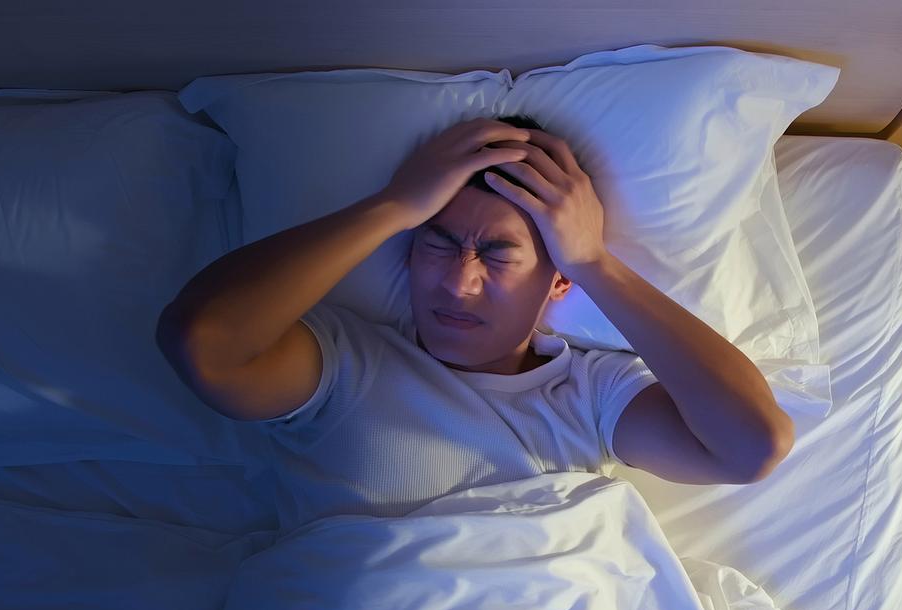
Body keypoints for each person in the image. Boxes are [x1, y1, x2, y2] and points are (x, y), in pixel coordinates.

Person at [156, 115, 793, 525]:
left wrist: (594, 261)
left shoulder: (590, 393)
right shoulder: (344, 364)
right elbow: (203, 343)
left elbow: (751, 446)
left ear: (558, 280)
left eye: (498, 255)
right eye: (436, 243)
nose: (458, 283)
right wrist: (394, 205)